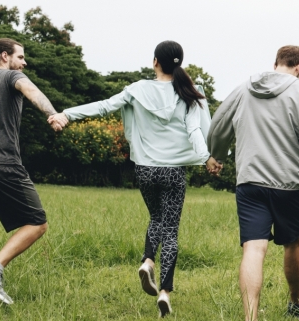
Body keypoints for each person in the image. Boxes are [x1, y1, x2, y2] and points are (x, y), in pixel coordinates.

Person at [49, 40, 214, 317]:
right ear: (179, 64)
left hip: (145, 170)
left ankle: (148, 261)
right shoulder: (188, 94)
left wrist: (66, 114)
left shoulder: (137, 89)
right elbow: (195, 129)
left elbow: (104, 106)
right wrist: (206, 157)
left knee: (156, 219)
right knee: (171, 229)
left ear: (155, 62)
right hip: (173, 172)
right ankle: (164, 292)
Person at [207, 45, 299, 321]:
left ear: (276, 62)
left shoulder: (245, 88)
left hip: (250, 182)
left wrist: (217, 154)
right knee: (293, 244)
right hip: (291, 185)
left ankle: (250, 318)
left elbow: (219, 122)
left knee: (254, 249)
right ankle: (295, 302)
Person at [0, 38, 62, 305]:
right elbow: (31, 90)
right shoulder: (11, 77)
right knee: (37, 223)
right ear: (5, 57)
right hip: (3, 164)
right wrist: (52, 113)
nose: (24, 62)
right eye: (21, 57)